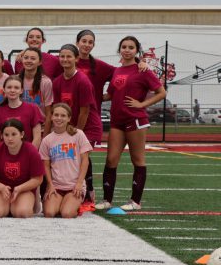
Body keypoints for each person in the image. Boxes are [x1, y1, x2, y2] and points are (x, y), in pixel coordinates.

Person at [96, 36, 166, 211]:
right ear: (120, 50)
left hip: (135, 119)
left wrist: (142, 104)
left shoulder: (143, 70)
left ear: (137, 51)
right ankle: (107, 200)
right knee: (111, 160)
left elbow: (161, 92)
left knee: (137, 160)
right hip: (117, 121)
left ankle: (135, 202)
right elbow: (109, 95)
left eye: (131, 47)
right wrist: (91, 96)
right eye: (124, 47)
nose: (127, 50)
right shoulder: (117, 71)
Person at [0, 119, 45, 218]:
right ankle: (6, 205)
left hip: (24, 189)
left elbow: (38, 179)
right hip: (2, 189)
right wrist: (1, 187)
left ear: (22, 134)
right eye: (6, 135)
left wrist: (20, 188)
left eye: (13, 134)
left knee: (22, 213)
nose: (10, 138)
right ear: (2, 136)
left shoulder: (31, 151)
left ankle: (22, 204)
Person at [40, 103, 91, 219]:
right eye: (56, 115)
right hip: (56, 186)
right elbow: (46, 165)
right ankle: (63, 203)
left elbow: (85, 161)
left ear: (69, 118)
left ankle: (75, 203)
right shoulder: (47, 140)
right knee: (49, 213)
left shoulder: (78, 134)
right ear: (51, 117)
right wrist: (50, 185)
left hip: (74, 186)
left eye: (63, 116)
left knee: (67, 214)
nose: (59, 118)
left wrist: (79, 183)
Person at [0, 75, 44, 148]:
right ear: (4, 89)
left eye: (16, 88)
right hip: (5, 155)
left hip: (27, 155)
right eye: (9, 87)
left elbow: (37, 138)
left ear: (21, 90)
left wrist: (29, 154)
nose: (12, 90)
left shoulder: (32, 108)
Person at [18, 47, 53, 121]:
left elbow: (48, 112)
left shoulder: (46, 82)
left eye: (33, 58)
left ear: (40, 62)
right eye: (26, 58)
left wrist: (46, 131)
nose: (28, 61)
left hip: (40, 126)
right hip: (20, 126)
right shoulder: (16, 80)